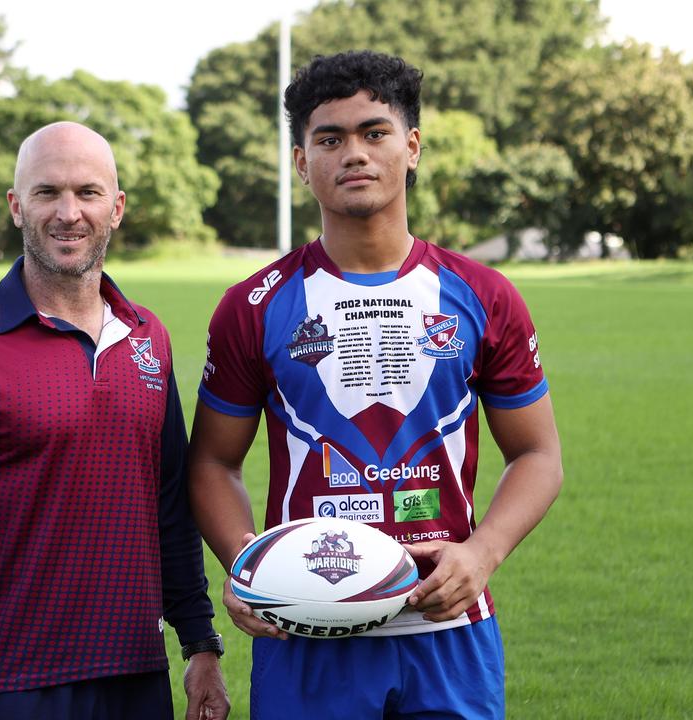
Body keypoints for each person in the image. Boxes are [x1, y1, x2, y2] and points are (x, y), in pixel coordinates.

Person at [188, 51, 563, 719]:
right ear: (302, 163)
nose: (353, 153)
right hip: (307, 626)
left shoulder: (483, 295)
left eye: (374, 132)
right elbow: (214, 461)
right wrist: (245, 564)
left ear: (411, 147)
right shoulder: (254, 305)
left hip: (448, 627)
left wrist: (483, 552)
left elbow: (538, 456)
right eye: (329, 139)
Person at [0, 121, 229, 720]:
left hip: (136, 675)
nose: (68, 213)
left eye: (88, 193)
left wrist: (200, 644)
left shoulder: (149, 337)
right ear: (17, 206)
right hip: (9, 682)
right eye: (47, 193)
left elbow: (171, 502)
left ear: (117, 208)